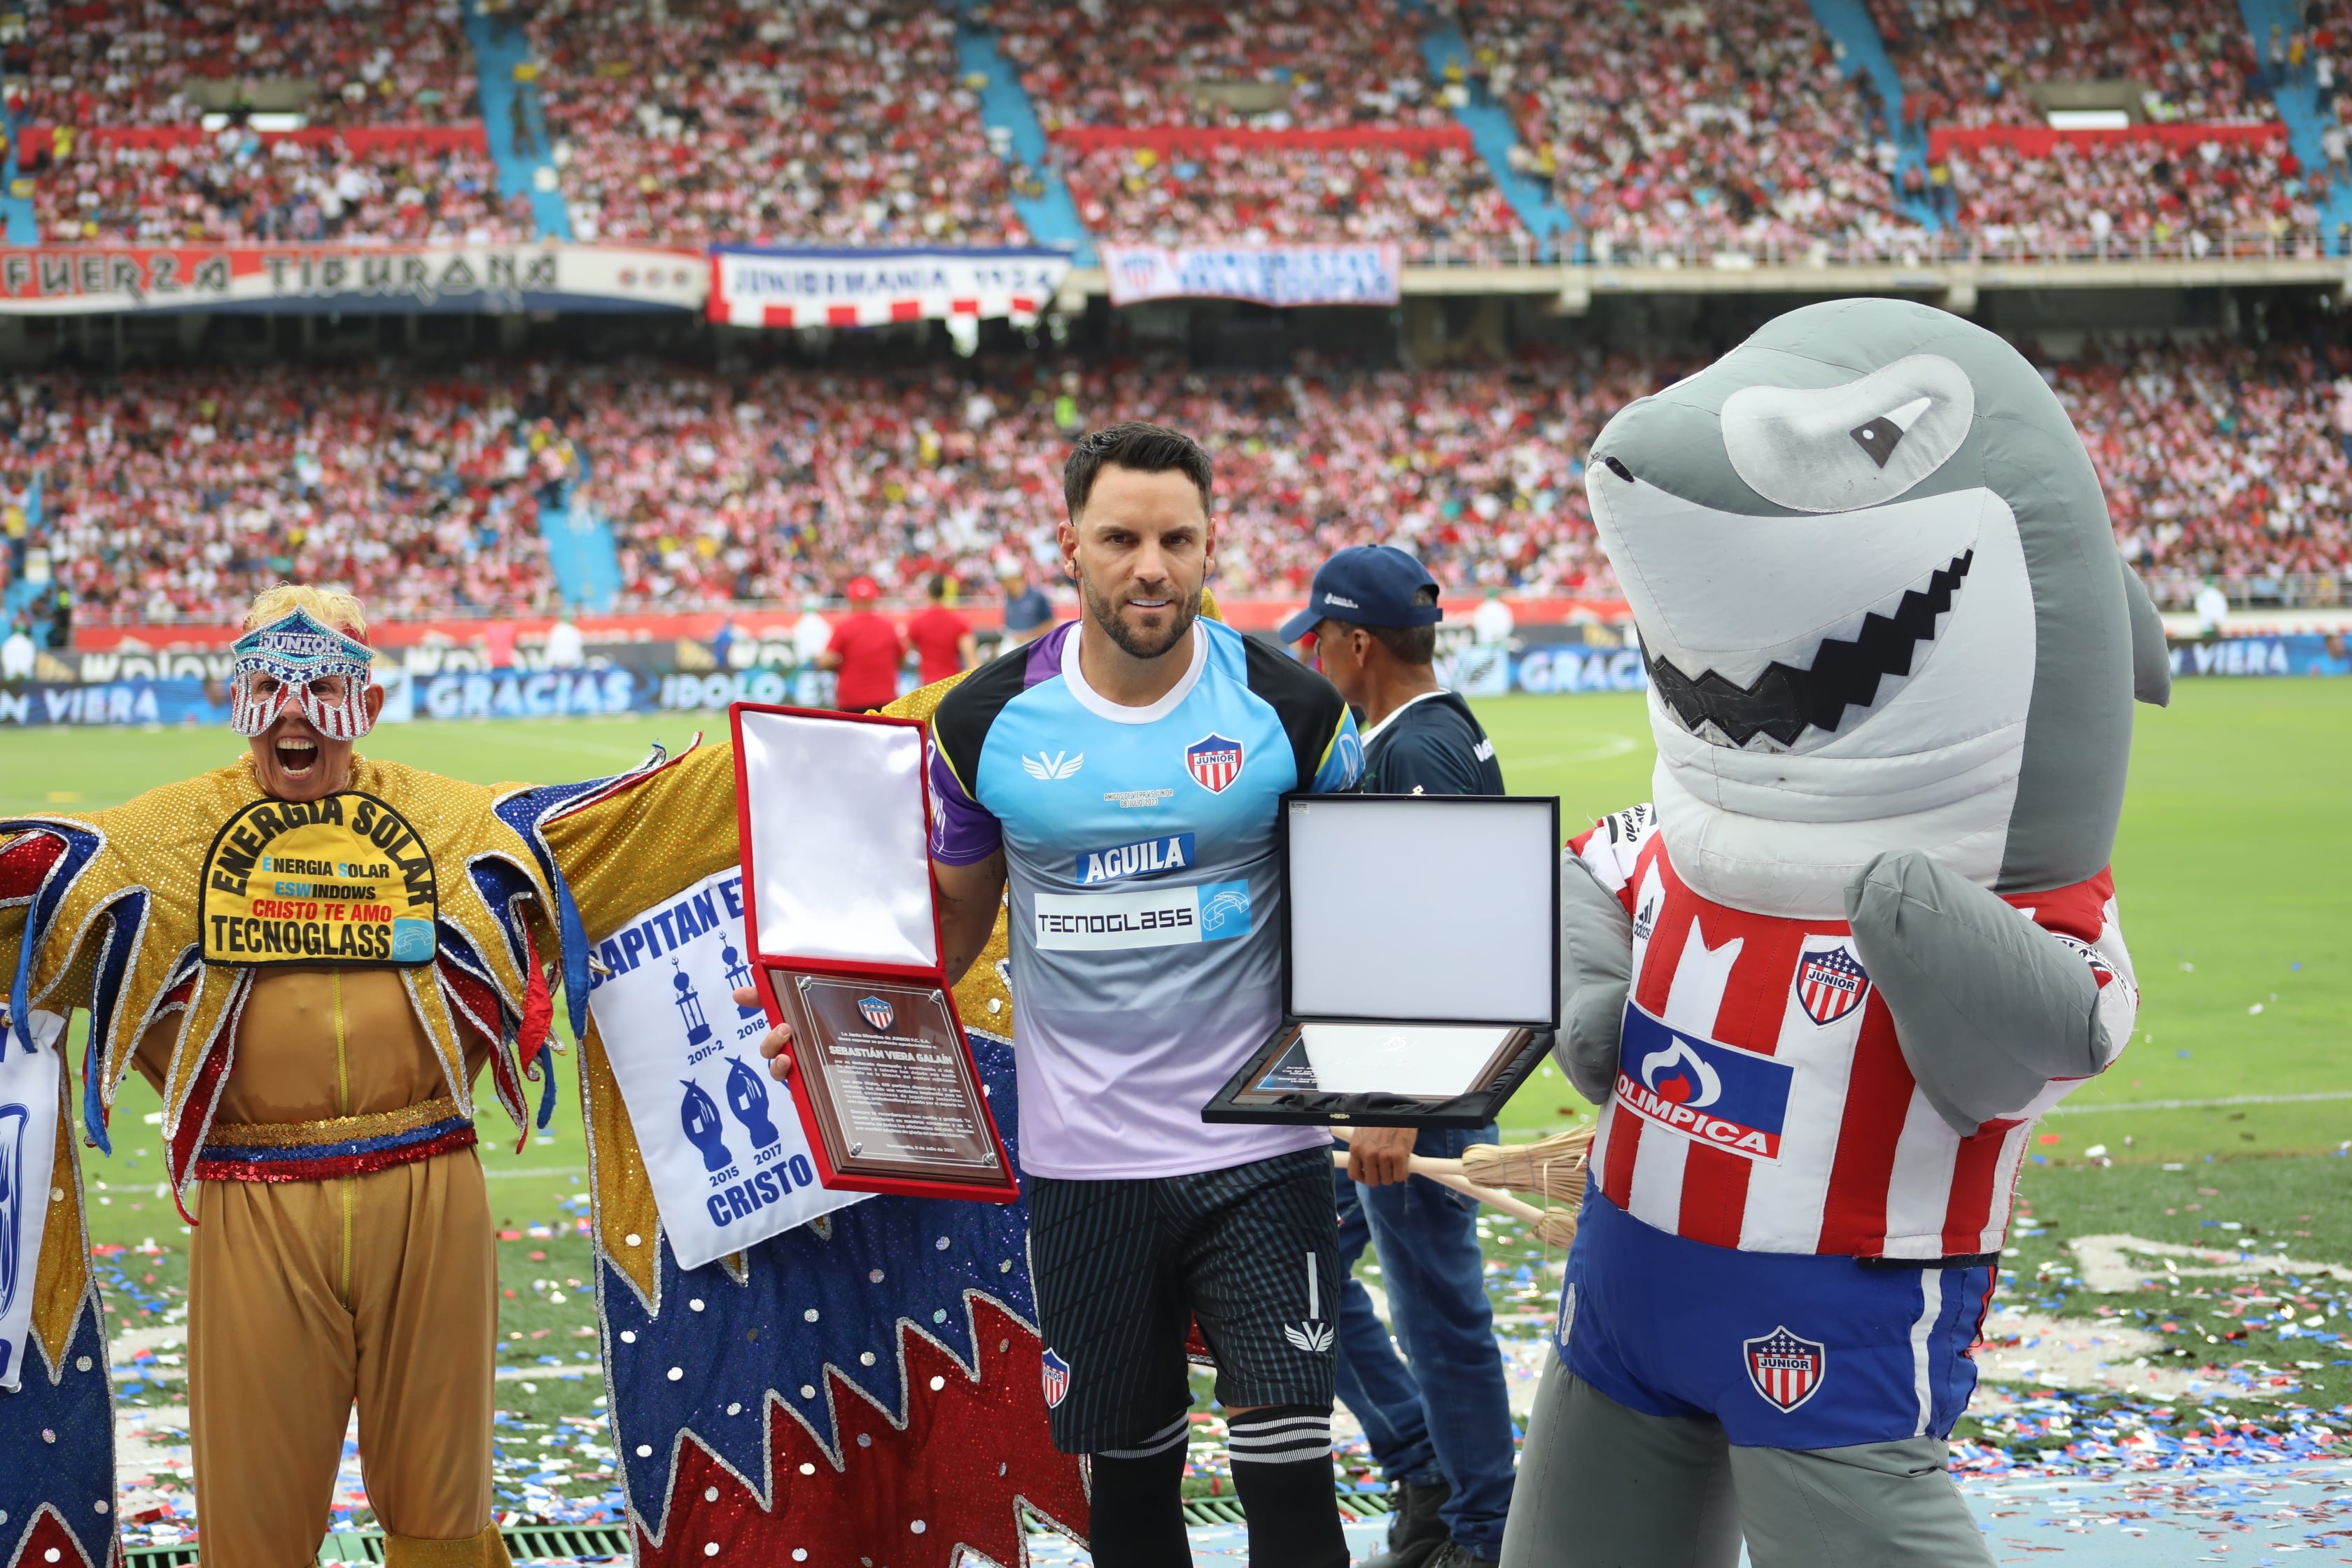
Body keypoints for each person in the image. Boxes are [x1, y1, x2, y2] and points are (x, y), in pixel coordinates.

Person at [741, 422, 1364, 1568]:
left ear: (1211, 542)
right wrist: (833, 1028)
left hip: (1263, 1156)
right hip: (1087, 1170)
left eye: (1177, 539)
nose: (1151, 568)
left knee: (1290, 1478)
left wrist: (1386, 1082)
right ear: (1068, 543)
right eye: (1121, 538)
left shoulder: (1296, 710)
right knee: (1129, 1494)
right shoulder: (984, 725)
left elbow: (1365, 901)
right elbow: (956, 920)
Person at [1281, 545, 1513, 1568]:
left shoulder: (1414, 751)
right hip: (1406, 1076)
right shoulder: (1437, 734)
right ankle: (1426, 1468)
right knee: (1305, 1277)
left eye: (1319, 637)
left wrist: (1397, 1101)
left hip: (1415, 1088)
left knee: (1440, 1313)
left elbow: (1449, 936)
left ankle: (1479, 1531)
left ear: (1355, 642)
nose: (1312, 654)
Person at [819, 575, 904, 713]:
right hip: (885, 701)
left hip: (852, 702)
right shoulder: (888, 627)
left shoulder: (845, 627)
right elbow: (901, 659)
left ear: (851, 599)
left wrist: (839, 665)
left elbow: (825, 661)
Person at [905, 573, 979, 685]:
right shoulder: (959, 623)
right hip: (951, 684)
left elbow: (905, 654)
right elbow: (971, 660)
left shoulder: (917, 622)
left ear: (929, 593)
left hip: (927, 686)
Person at [1000, 559, 1056, 645]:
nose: (1002, 584)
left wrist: (1026, 635)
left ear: (1015, 578)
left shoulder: (1036, 597)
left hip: (1034, 646)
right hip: (1013, 645)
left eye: (1004, 581)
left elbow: (1051, 625)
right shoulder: (1008, 600)